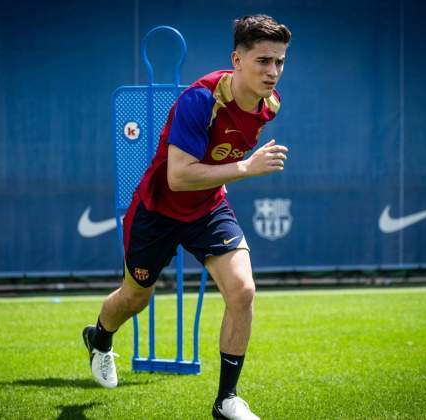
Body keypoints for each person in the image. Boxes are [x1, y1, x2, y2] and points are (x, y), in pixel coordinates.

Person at [82, 14, 291, 420]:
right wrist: (246, 168)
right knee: (134, 298)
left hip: (208, 207)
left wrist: (229, 174)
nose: (273, 71)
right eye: (264, 60)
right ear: (237, 59)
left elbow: (223, 154)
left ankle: (226, 400)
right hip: (158, 209)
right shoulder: (201, 100)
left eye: (280, 61)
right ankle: (100, 339)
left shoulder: (270, 105)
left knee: (243, 290)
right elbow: (178, 178)